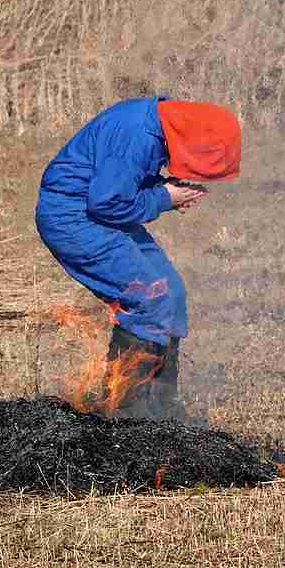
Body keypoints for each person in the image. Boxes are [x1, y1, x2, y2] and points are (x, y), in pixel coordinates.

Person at [35, 97, 242, 418]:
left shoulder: (160, 123)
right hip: (73, 218)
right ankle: (125, 409)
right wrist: (164, 198)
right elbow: (106, 202)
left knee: (171, 292)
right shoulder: (137, 136)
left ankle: (162, 406)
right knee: (149, 297)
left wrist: (162, 186)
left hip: (99, 215)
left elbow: (123, 181)